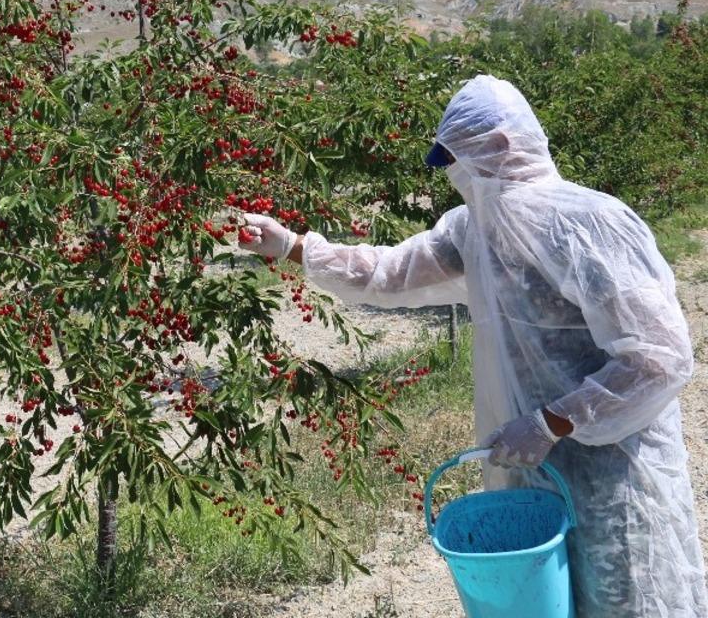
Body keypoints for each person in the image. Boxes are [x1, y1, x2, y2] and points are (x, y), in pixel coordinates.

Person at [240, 75, 707, 616]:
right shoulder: (476, 229)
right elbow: (390, 272)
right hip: (532, 466)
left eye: (461, 160)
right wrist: (296, 247)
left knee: (626, 593)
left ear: (506, 145)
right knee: (545, 599)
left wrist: (552, 421)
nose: (456, 176)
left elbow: (660, 359)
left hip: (614, 470)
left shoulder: (589, 224)